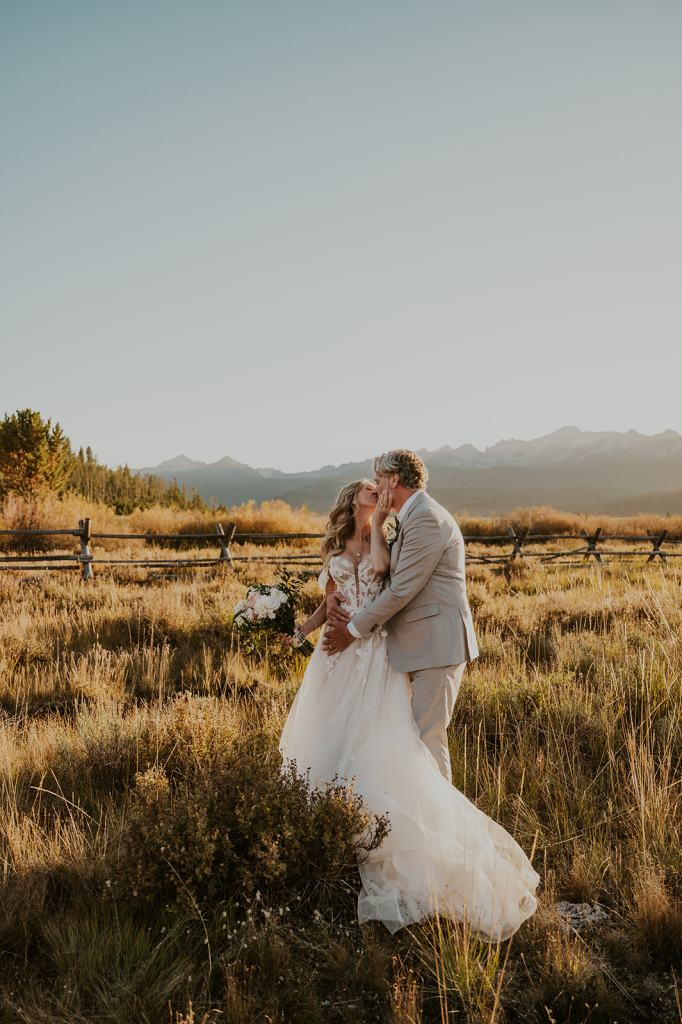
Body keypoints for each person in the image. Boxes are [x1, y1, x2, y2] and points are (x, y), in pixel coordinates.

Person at [278, 453, 539, 940]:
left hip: (423, 649)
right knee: (399, 744)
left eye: (379, 479)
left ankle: (442, 849)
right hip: (396, 650)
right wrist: (326, 613)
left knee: (424, 748)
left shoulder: (424, 521)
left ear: (393, 480)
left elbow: (396, 590)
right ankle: (386, 837)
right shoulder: (404, 519)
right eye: (370, 484)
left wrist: (353, 628)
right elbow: (363, 587)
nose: (374, 486)